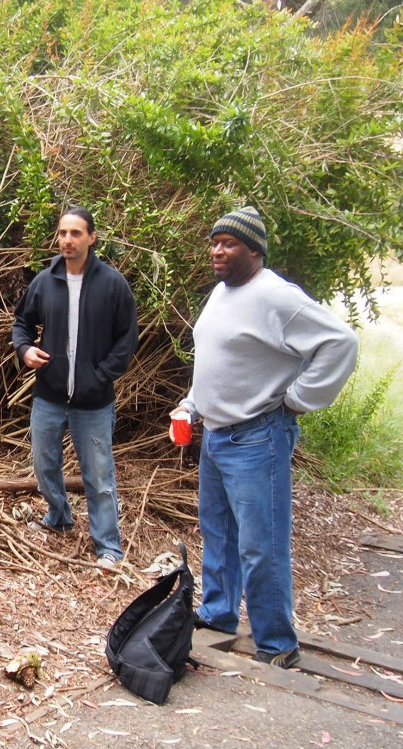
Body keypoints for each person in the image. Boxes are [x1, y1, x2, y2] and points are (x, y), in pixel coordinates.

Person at [172, 206, 358, 669]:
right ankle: (218, 615)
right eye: (215, 241)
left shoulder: (277, 297)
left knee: (261, 544)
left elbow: (341, 342)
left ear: (254, 250)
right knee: (218, 534)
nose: (217, 250)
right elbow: (219, 360)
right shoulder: (221, 292)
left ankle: (277, 643)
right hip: (215, 436)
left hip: (258, 437)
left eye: (229, 243)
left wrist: (297, 399)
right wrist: (191, 404)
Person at [11, 207, 139, 569]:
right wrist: (25, 348)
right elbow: (22, 322)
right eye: (63, 233)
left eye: (76, 233)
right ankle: (59, 515)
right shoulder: (45, 280)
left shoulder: (112, 284)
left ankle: (108, 546)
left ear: (92, 238)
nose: (67, 239)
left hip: (94, 401)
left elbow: (127, 339)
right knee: (44, 463)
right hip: (49, 394)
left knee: (98, 475)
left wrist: (100, 376)